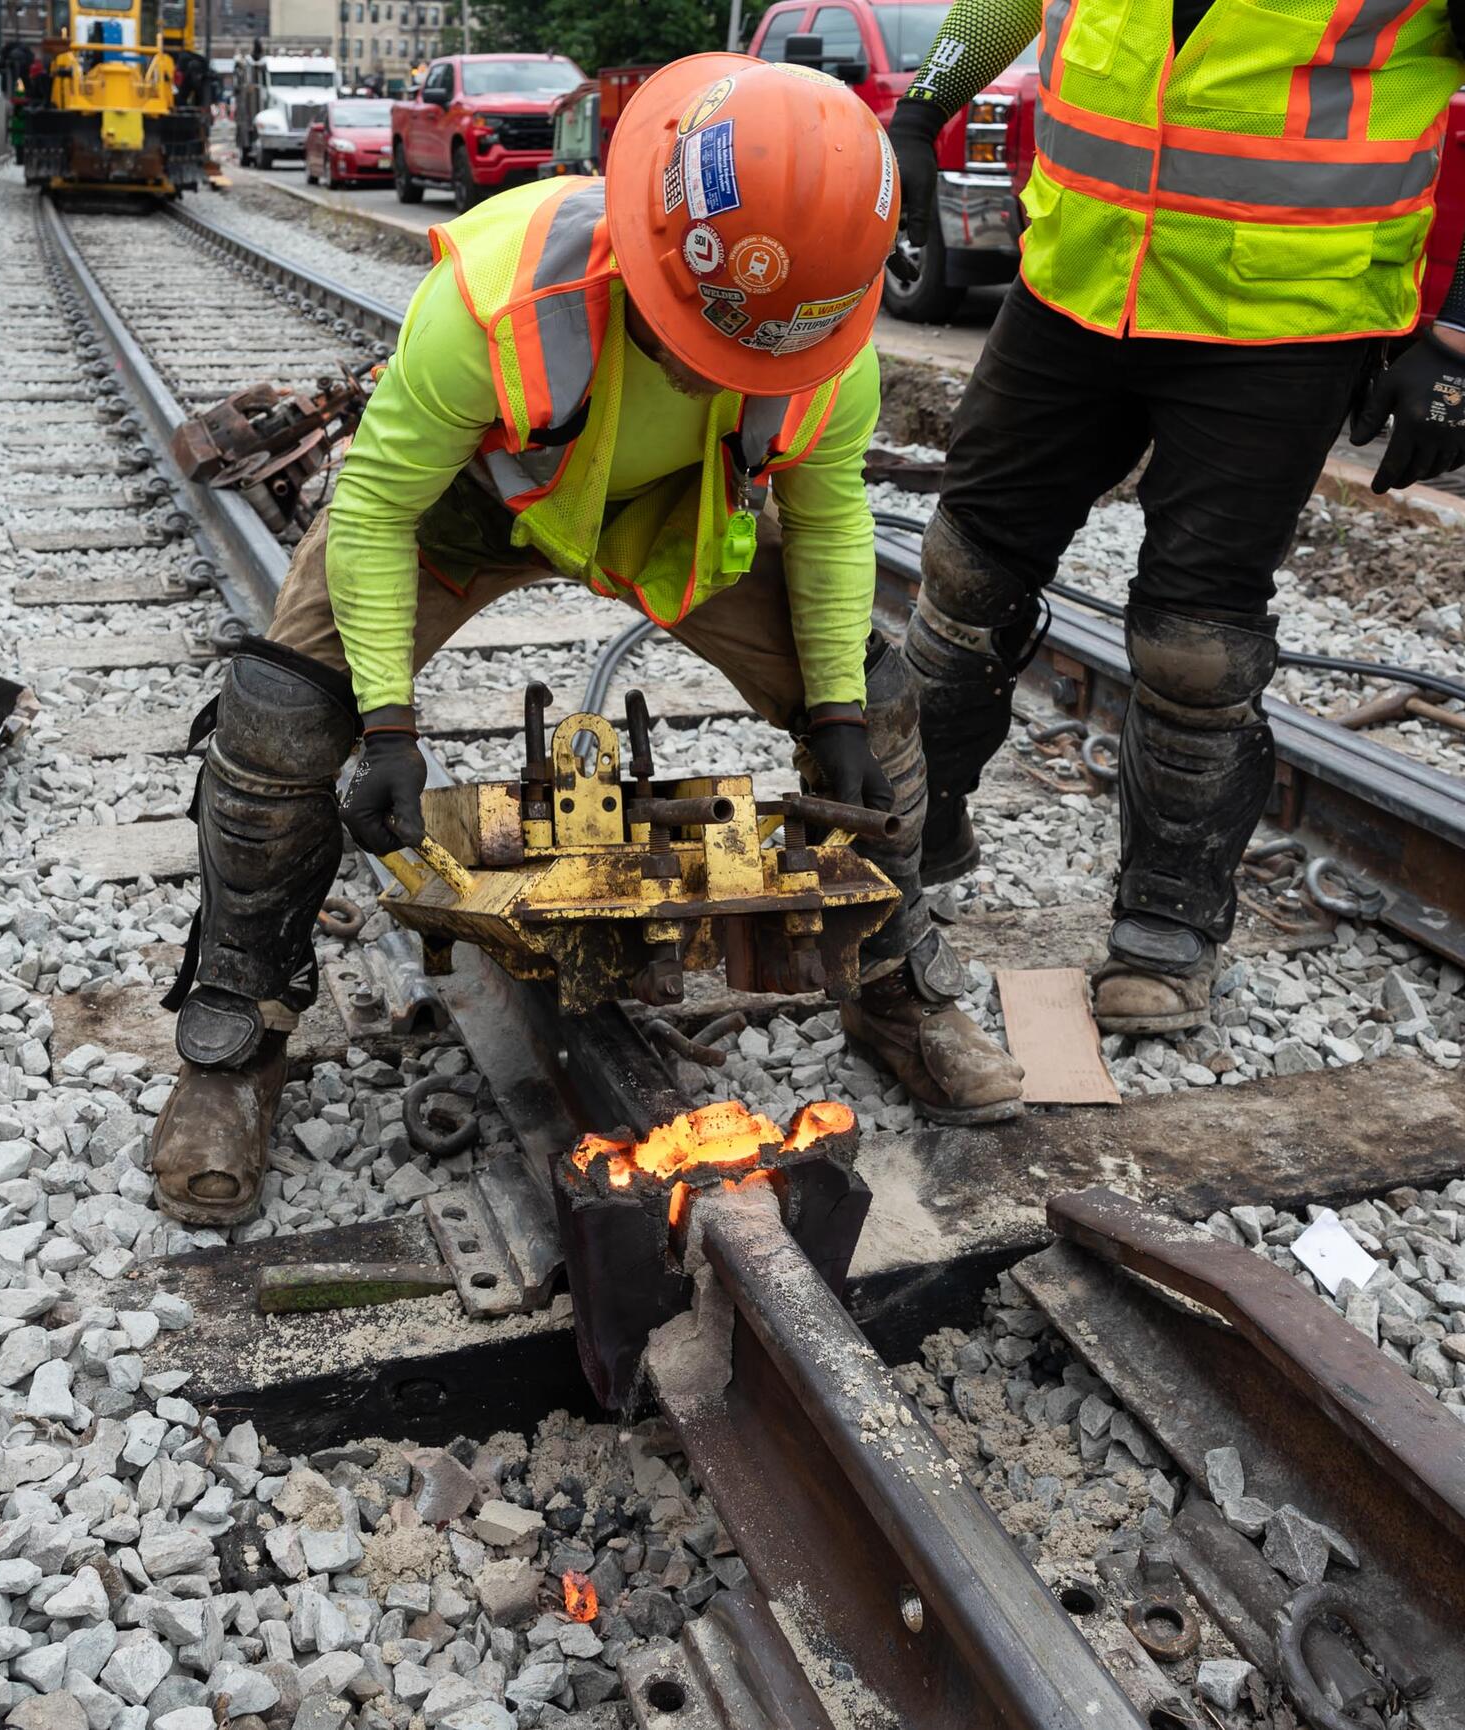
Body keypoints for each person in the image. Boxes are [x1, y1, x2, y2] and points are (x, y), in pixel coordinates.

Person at [150, 54, 1025, 1226]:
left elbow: (824, 527)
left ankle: (892, 985)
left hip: (670, 522)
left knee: (879, 700)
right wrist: (389, 726)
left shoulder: (825, 339)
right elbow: (369, 514)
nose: (719, 373)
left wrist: (833, 715)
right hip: (478, 506)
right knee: (281, 712)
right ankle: (230, 1040)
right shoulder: (496, 306)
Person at [885, 0, 1465, 1032]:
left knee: (1194, 637)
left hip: (1279, 319)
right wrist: (922, 108)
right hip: (1075, 277)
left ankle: (1166, 920)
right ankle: (917, 824)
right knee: (965, 570)